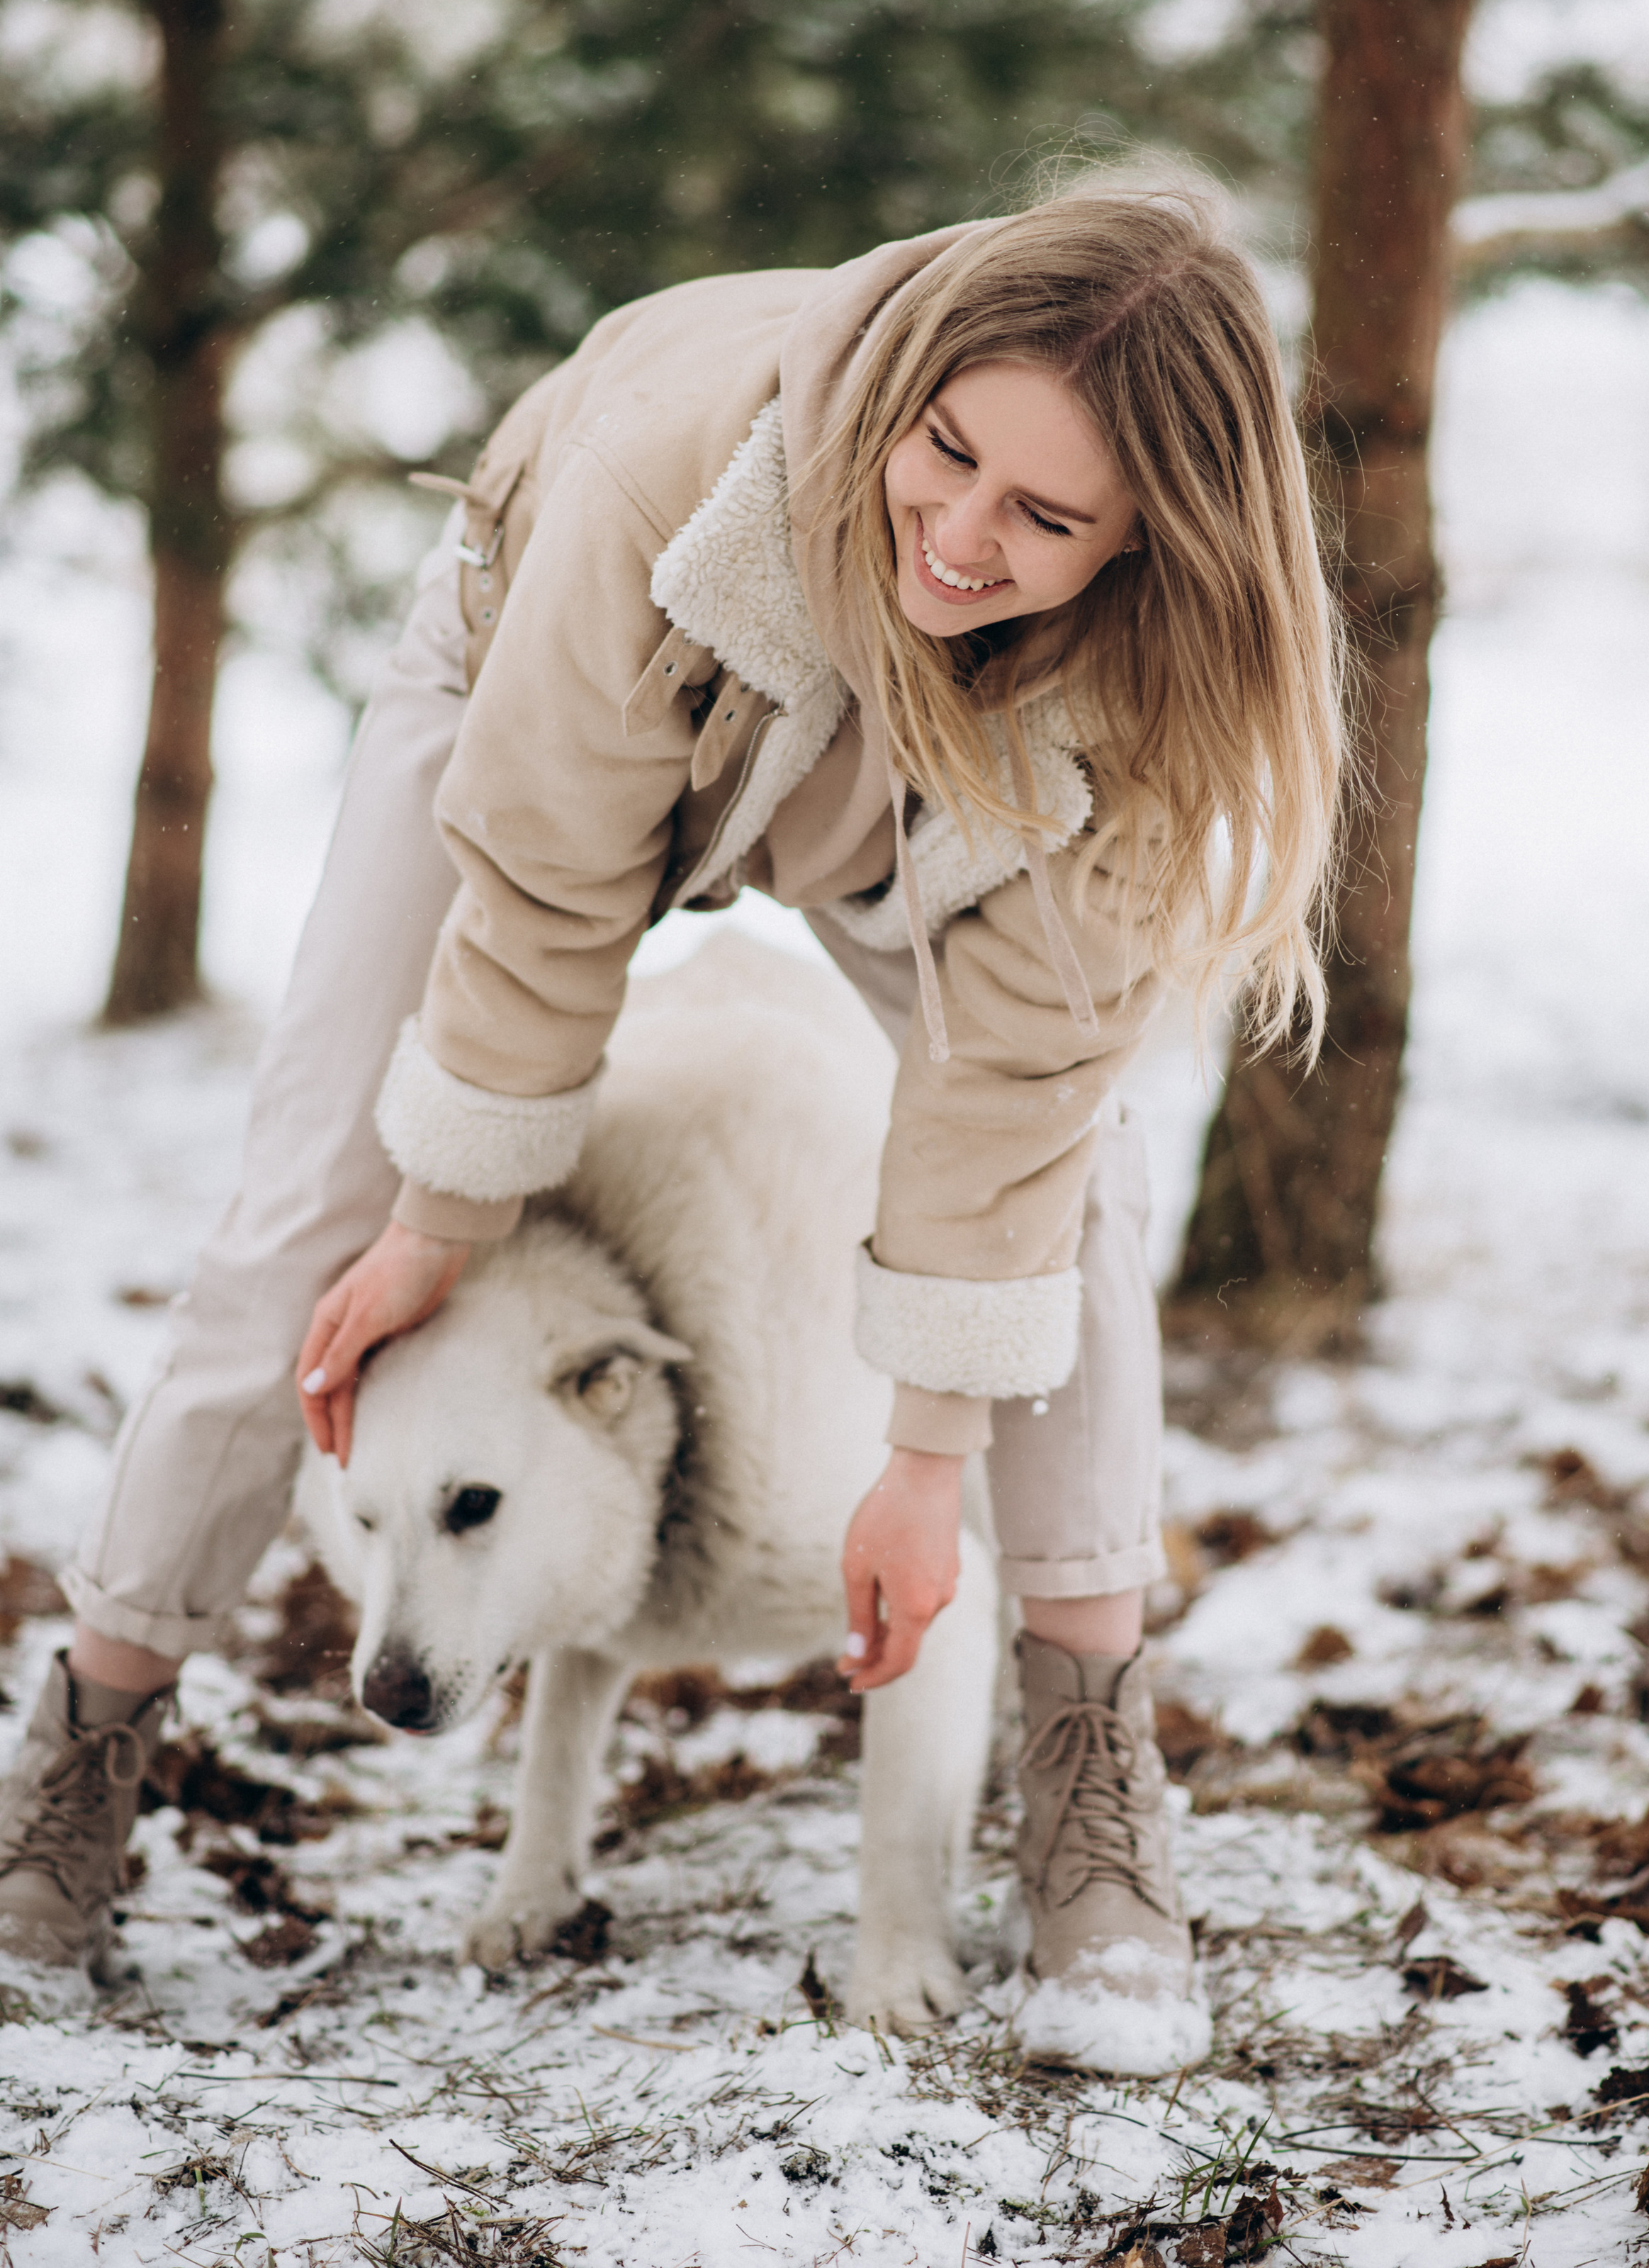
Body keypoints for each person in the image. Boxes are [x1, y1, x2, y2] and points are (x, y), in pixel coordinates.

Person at [0, 162, 1344, 2059]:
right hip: (553, 666)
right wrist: (437, 1225)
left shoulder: (1144, 692)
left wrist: (925, 1455)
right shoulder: (670, 470)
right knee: (319, 1208)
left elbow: (1009, 1095)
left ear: (1149, 543)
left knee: (1082, 1196)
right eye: (944, 450)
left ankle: (1090, 1800)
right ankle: (78, 1770)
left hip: (920, 769)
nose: (959, 531)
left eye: (1044, 515)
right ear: (911, 383)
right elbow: (546, 895)